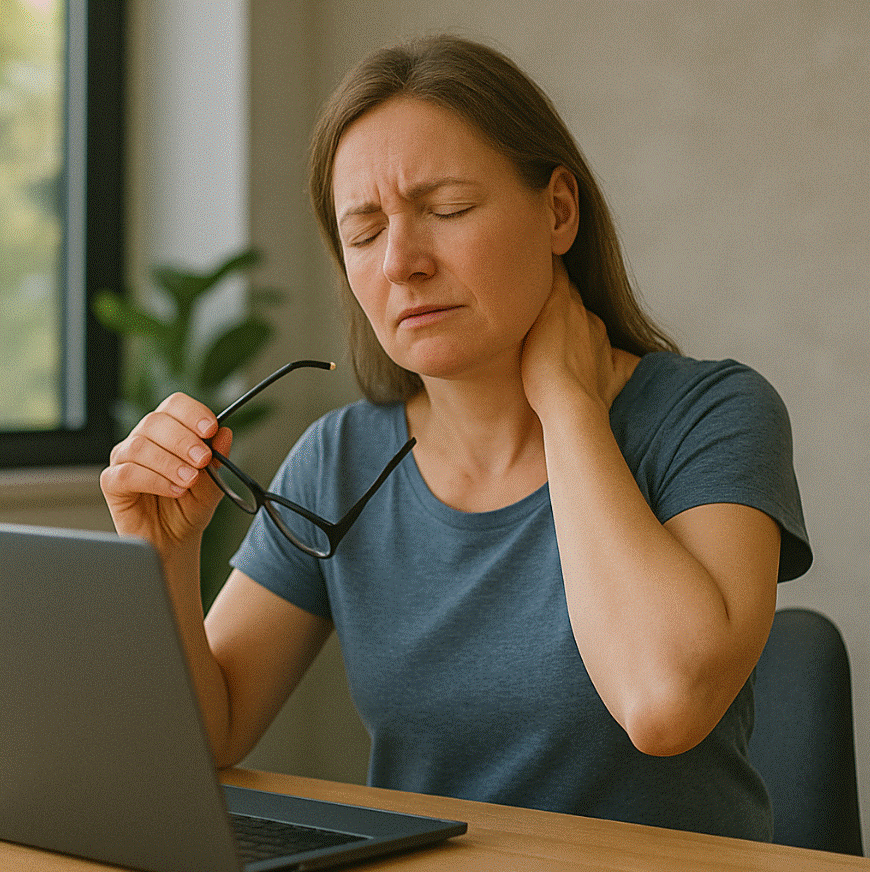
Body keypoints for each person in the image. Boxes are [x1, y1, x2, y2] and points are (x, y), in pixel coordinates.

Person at [101, 34, 811, 841]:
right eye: (364, 233)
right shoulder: (340, 460)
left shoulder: (712, 413)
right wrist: (162, 554)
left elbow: (664, 705)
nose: (402, 262)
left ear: (558, 211)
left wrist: (567, 403)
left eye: (447, 211)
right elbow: (207, 737)